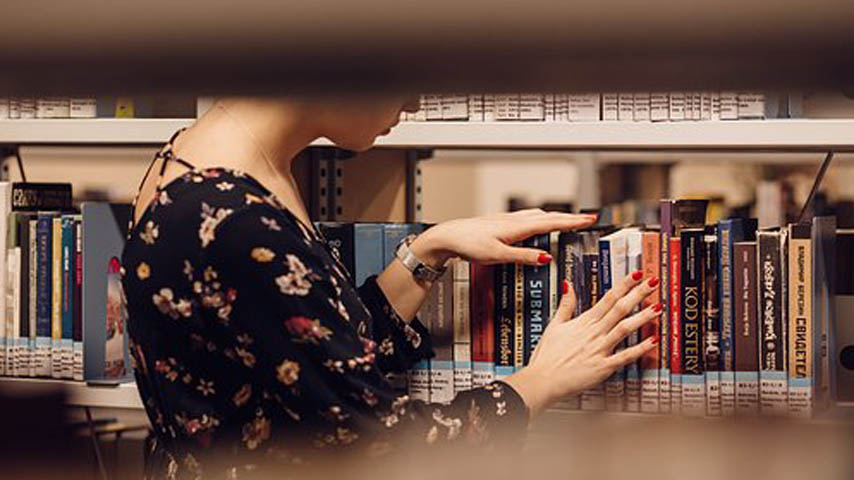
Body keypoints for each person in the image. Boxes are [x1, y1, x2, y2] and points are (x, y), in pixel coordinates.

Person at [122, 96, 662, 479]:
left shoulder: (198, 156)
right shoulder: (236, 219)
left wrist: (429, 250)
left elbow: (302, 367)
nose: (416, 101)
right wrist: (539, 382)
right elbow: (376, 445)